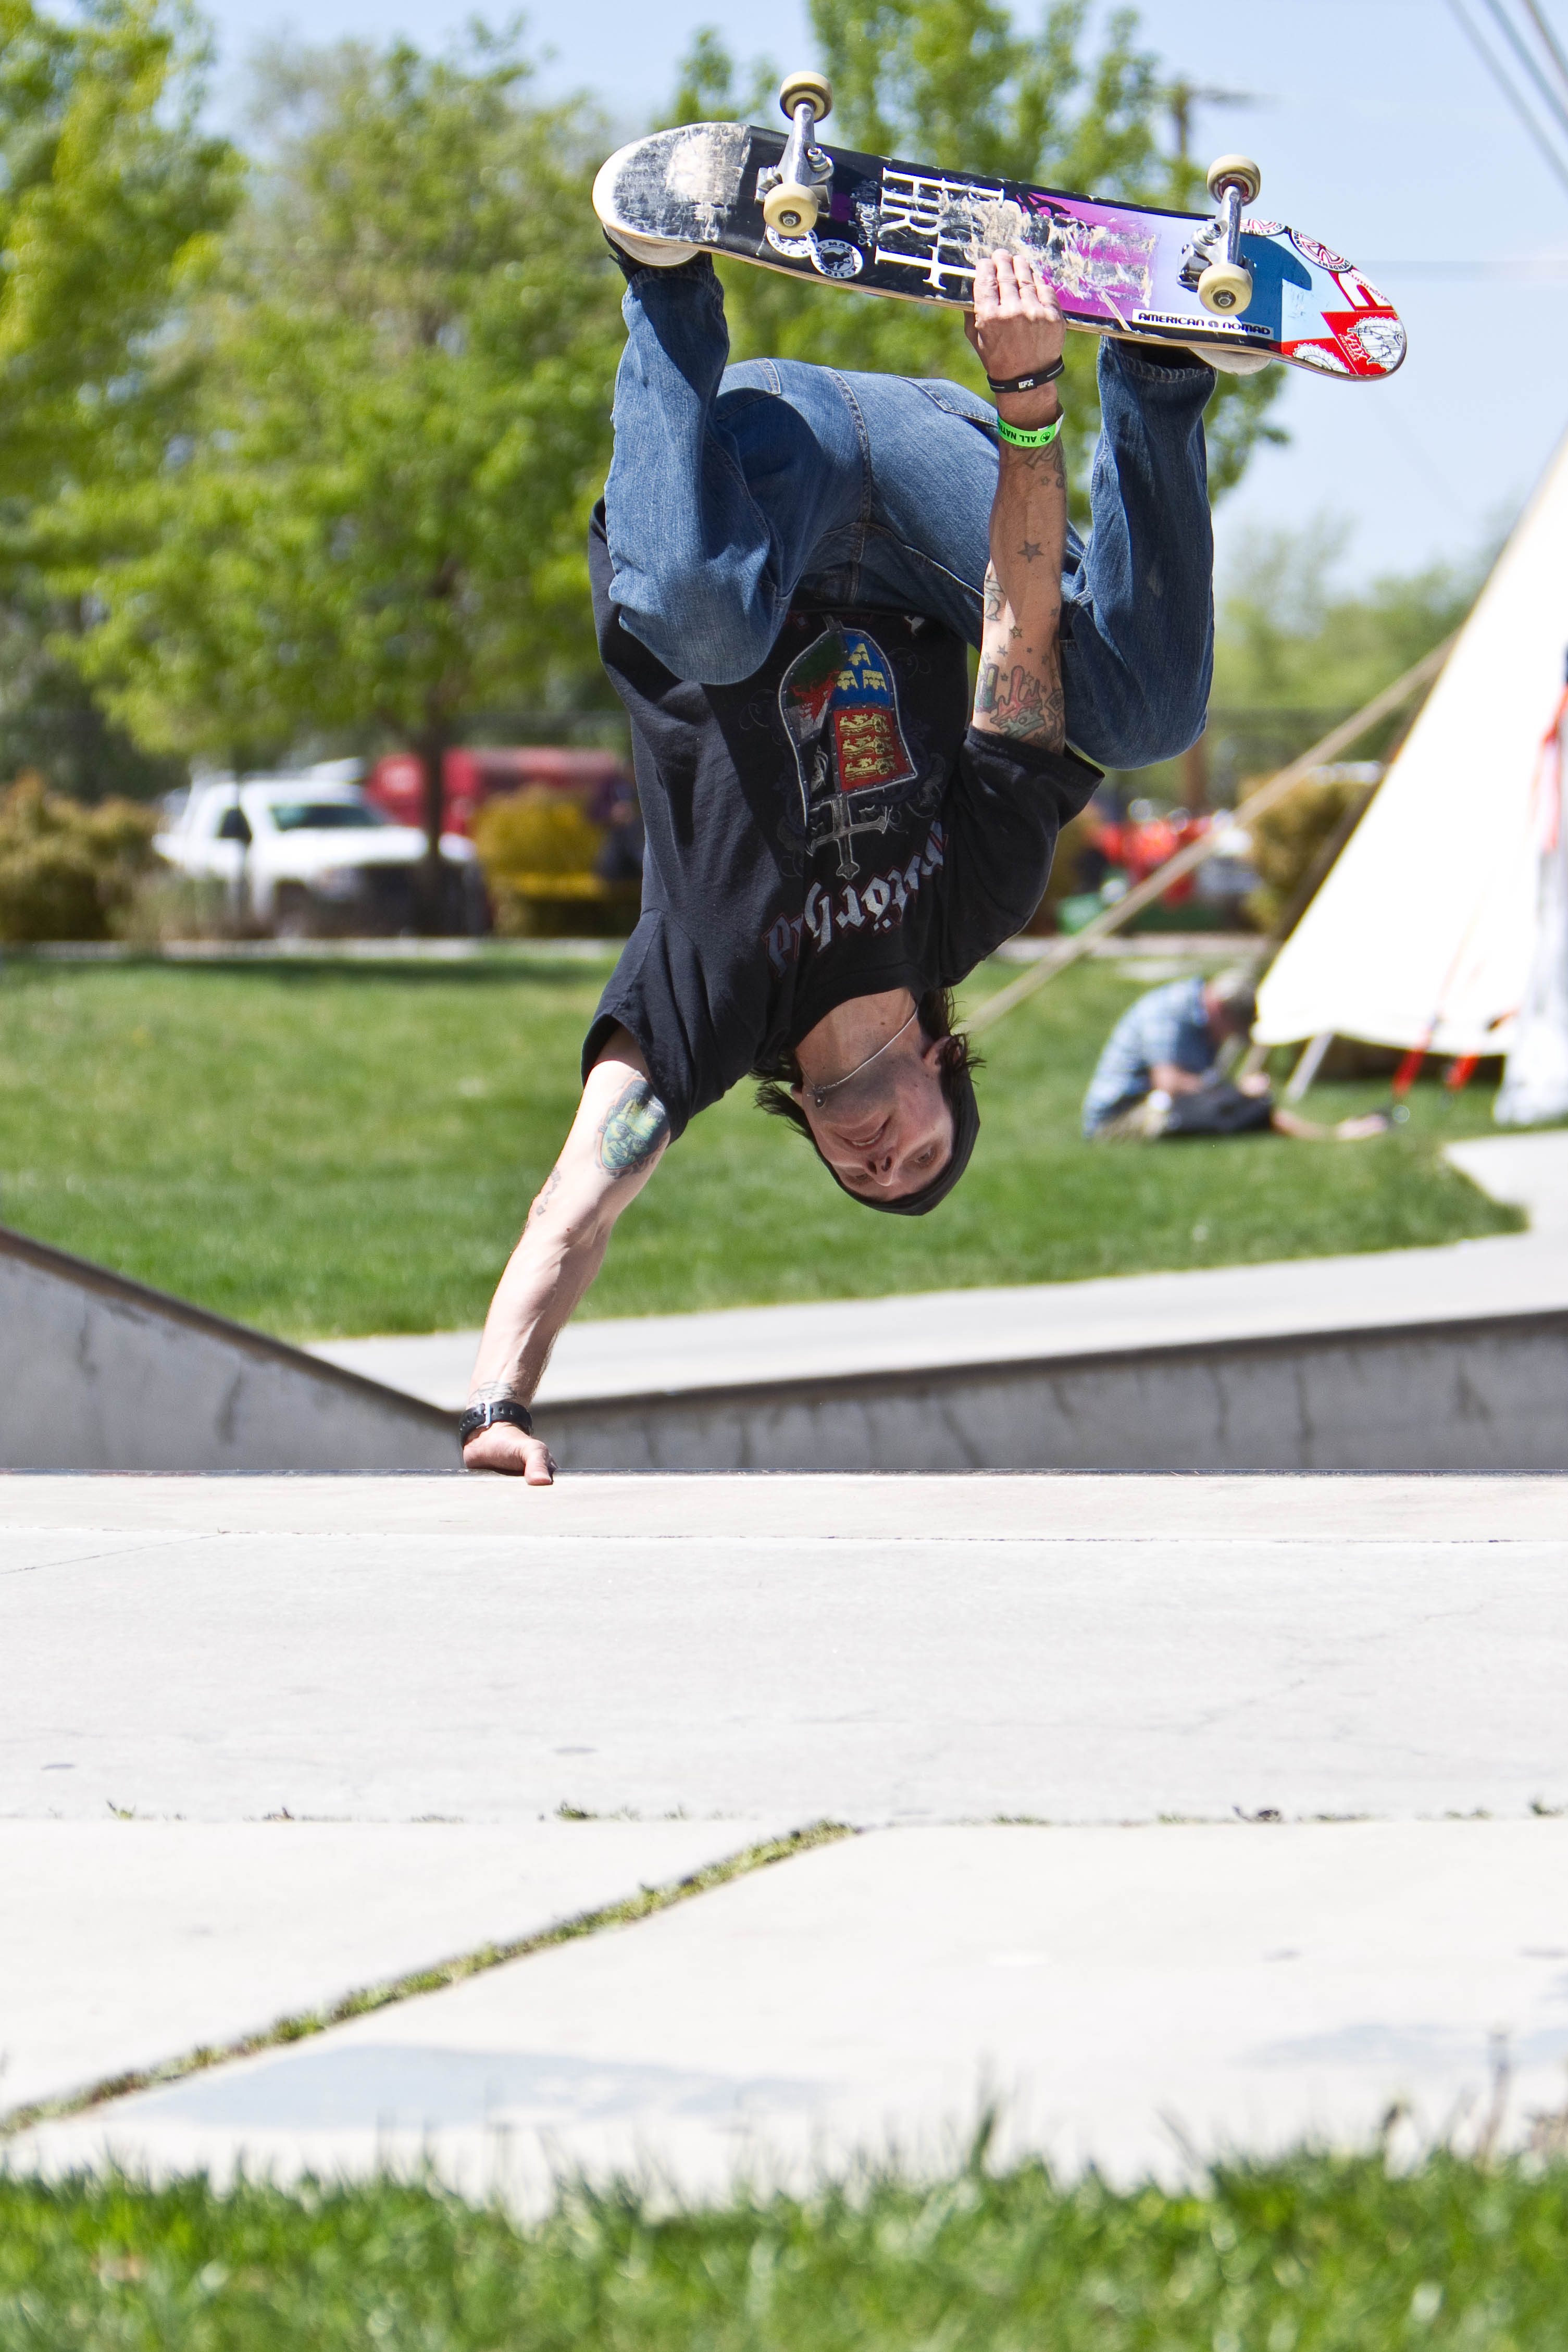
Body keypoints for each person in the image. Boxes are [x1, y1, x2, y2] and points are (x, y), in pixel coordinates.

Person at [461, 221, 1220, 1481]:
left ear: (813, 1137)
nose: (883, 1157)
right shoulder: (969, 908)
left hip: (762, 491)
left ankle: (662, 282)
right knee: (1146, 715)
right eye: (921, 1150)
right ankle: (1160, 366)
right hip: (926, 494)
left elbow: (575, 1208)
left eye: (866, 1177)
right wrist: (1030, 401)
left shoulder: (710, 1012)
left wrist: (499, 1402)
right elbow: (1019, 640)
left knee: (704, 622)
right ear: (942, 1064)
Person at [1081, 967, 1390, 1142]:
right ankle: (1332, 1135)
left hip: (1160, 1106)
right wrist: (1237, 1091)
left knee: (1242, 1107)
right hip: (1117, 1121)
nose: (1230, 1037)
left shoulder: (1197, 1013)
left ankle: (1330, 1134)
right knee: (1238, 1107)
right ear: (1219, 1008)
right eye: (1232, 1028)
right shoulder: (1168, 1011)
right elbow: (1170, 1084)